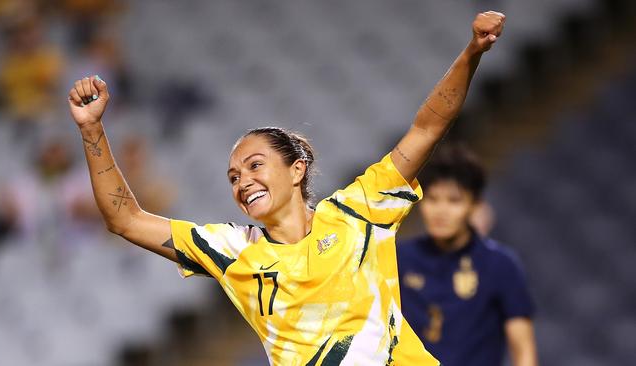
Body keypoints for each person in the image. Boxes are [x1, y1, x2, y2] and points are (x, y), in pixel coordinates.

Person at [67, 11, 506, 365]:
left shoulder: (360, 210)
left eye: (255, 165)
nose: (242, 182)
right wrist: (92, 131)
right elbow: (124, 220)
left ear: (297, 170)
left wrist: (471, 53)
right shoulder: (231, 250)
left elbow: (428, 127)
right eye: (234, 177)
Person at [396, 145, 537, 366]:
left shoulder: (501, 265)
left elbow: (523, 351)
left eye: (454, 201)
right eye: (432, 199)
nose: (441, 211)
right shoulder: (399, 258)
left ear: (475, 206)